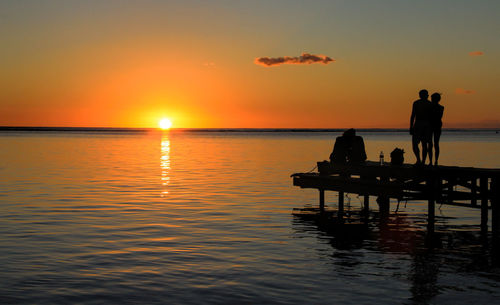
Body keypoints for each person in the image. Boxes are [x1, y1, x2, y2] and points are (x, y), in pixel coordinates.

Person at [410, 89, 432, 165]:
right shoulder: (416, 103)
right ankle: (419, 160)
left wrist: (411, 126)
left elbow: (431, 117)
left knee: (423, 145)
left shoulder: (429, 104)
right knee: (417, 145)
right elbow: (413, 115)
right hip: (419, 125)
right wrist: (411, 126)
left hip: (424, 126)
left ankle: (422, 161)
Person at [429, 92, 444, 166]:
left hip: (436, 126)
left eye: (432, 98)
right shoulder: (439, 107)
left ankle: (435, 161)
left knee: (435, 144)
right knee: (431, 144)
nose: (431, 100)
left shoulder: (441, 107)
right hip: (432, 126)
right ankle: (431, 161)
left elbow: (437, 117)